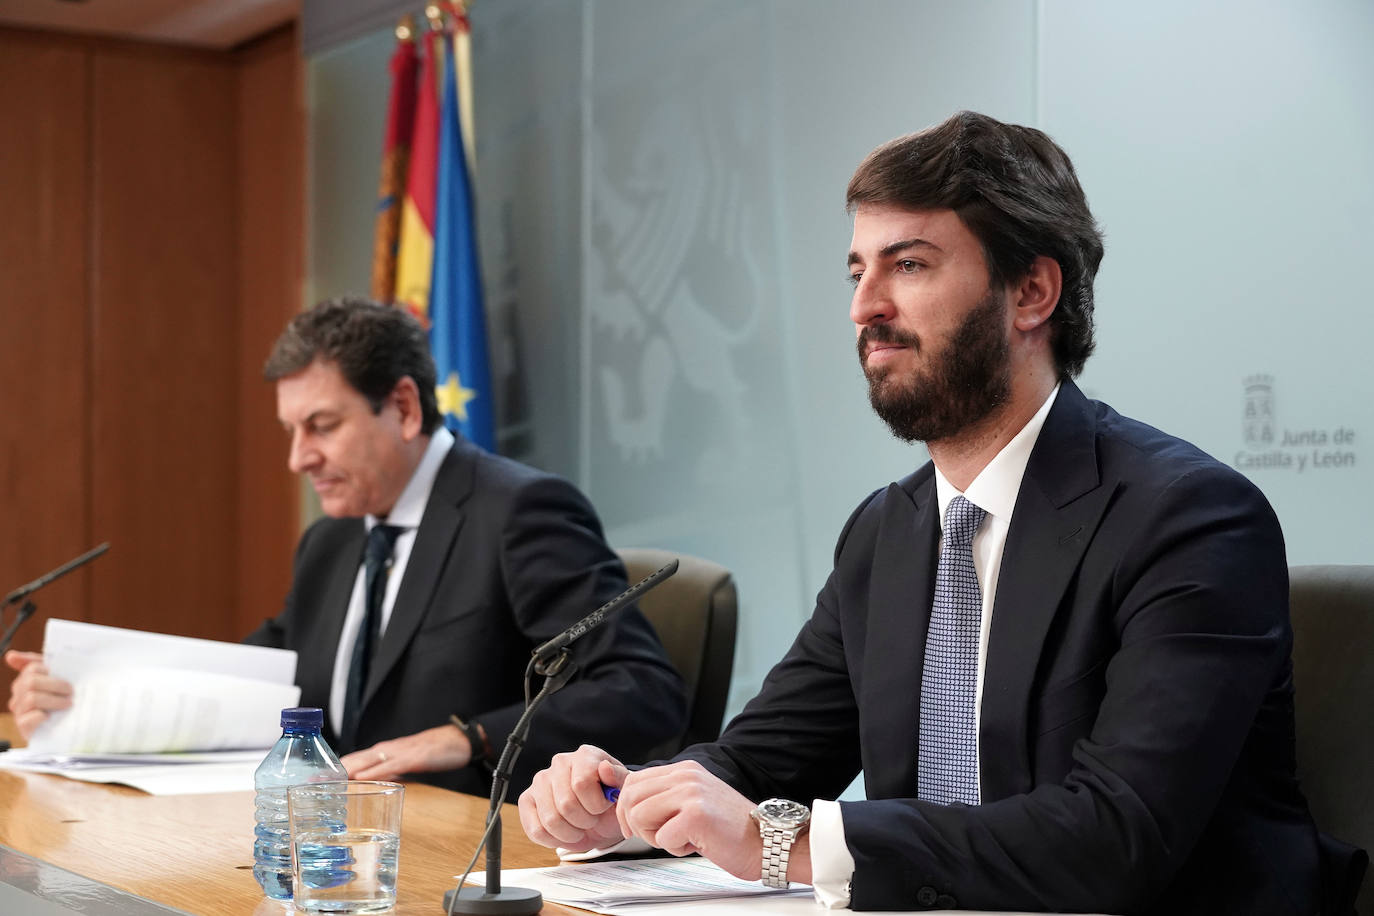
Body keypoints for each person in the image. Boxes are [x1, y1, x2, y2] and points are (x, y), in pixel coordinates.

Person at [517, 111, 1329, 914]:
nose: (863, 307)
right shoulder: (886, 532)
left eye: (907, 265)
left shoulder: (1189, 518)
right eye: (856, 272)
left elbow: (1117, 836)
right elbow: (760, 764)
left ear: (1032, 292)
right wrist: (627, 807)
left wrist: (783, 844)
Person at [6, 298, 686, 797]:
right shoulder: (332, 540)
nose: (299, 457)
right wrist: (85, 693)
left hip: (467, 856)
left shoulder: (519, 511)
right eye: (291, 431)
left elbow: (642, 690)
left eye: (321, 426)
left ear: (405, 407)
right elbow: (255, 680)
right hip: (339, 846)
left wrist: (468, 736)